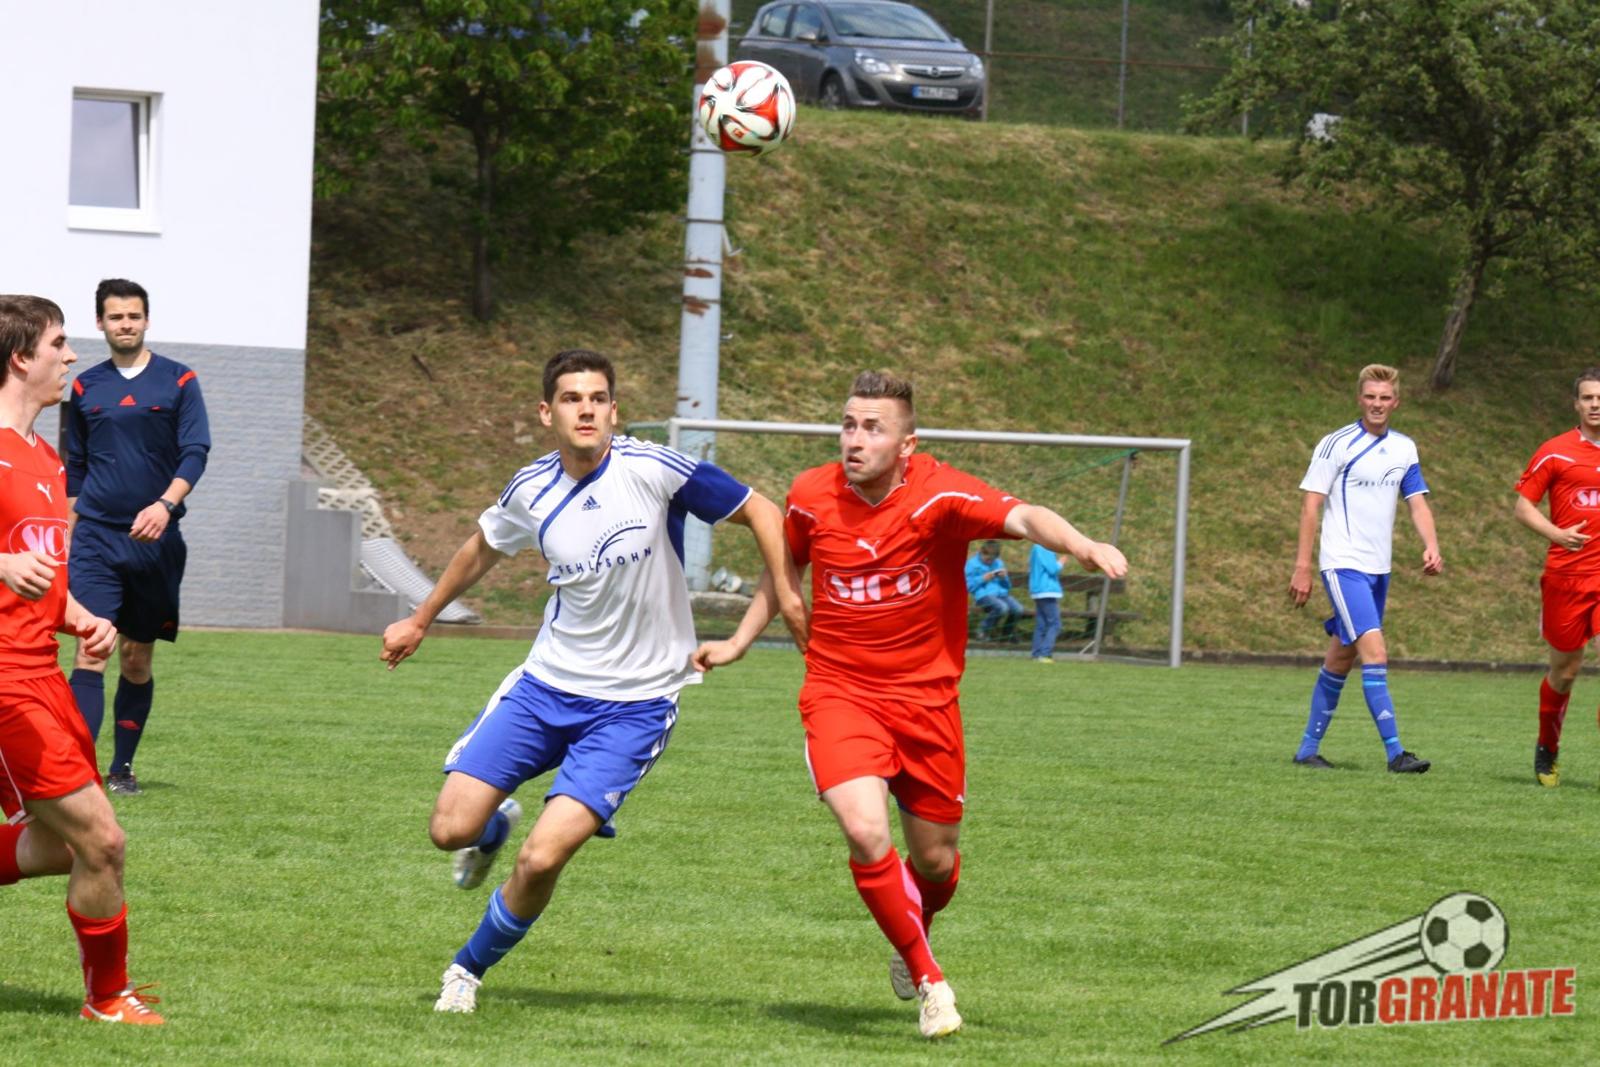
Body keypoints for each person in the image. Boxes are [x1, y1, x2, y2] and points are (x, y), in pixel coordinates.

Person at [693, 370, 1127, 1039]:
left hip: (926, 704)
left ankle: (913, 927)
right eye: (848, 425)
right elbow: (783, 570)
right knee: (866, 830)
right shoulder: (810, 495)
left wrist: (1083, 544)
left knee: (936, 863)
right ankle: (931, 982)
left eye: (873, 428)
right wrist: (739, 641)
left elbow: (1023, 516)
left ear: (907, 443)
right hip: (839, 692)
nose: (855, 439)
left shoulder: (941, 494)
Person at [380, 349, 804, 1014]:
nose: (587, 409)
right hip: (545, 687)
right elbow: (482, 546)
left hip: (634, 706)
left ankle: (466, 969)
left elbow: (763, 511)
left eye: (598, 398)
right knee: (449, 829)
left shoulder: (654, 470)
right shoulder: (531, 488)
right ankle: (490, 831)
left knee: (542, 859)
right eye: (572, 398)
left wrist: (781, 601)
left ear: (614, 410)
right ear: (546, 413)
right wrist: (421, 617)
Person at [0, 295, 163, 1023]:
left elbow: (44, 576)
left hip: (44, 674)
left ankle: (108, 996)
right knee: (102, 838)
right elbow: (12, 565)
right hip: (5, 681)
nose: (71, 356)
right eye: (59, 343)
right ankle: (107, 998)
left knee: (62, 847)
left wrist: (82, 618)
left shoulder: (44, 457)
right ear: (20, 358)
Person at [61, 279, 211, 795]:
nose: (125, 324)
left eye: (133, 316)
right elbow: (76, 467)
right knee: (91, 649)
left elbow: (196, 450)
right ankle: (79, 774)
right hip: (96, 537)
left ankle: (121, 768)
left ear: (146, 320)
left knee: (135, 657)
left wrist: (165, 505)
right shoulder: (85, 387)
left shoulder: (180, 379)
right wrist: (66, 533)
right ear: (100, 323)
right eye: (115, 316)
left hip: (155, 542)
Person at [1288, 363, 1440, 774]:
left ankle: (1307, 750)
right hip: (1343, 565)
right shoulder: (1335, 444)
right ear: (1359, 399)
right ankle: (1396, 754)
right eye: (1370, 396)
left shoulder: (1404, 448)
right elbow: (1311, 505)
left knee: (1341, 658)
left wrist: (1431, 545)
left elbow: (1417, 503)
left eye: (1384, 397)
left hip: (1378, 570)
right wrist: (1303, 566)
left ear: (1396, 402)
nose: (1377, 404)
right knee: (1376, 652)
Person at [1512, 367, 1600, 788]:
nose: (1596, 404)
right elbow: (1523, 507)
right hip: (1567, 578)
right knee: (1565, 673)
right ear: (1576, 404)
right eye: (1588, 398)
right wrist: (1557, 534)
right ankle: (1547, 746)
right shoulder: (1555, 452)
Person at [964, 539, 1022, 640]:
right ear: (981, 553)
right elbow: (967, 586)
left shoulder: (998, 563)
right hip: (983, 595)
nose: (990, 562)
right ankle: (983, 629)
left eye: (992, 560)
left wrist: (1004, 578)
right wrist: (982, 579)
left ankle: (1007, 634)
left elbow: (1007, 586)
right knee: (1002, 608)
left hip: (1001, 594)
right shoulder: (972, 564)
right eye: (987, 559)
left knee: (1018, 609)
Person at [1028, 543, 1066, 662]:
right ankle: (1045, 654)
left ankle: (1036, 654)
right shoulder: (1045, 547)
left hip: (1038, 590)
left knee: (1041, 624)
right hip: (1046, 590)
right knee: (1055, 624)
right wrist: (1061, 562)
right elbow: (1052, 569)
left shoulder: (1035, 548)